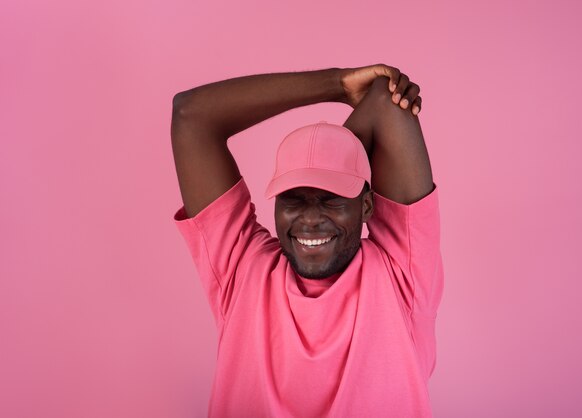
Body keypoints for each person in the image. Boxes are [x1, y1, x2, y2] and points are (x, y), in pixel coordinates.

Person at [171, 64, 444, 418]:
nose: (311, 218)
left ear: (365, 206)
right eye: (293, 198)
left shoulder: (401, 274)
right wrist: (336, 85)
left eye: (332, 197)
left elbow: (385, 98)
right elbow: (190, 115)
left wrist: (339, 149)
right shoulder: (242, 267)